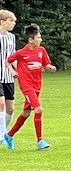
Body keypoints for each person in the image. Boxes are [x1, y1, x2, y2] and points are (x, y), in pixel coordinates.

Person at [4, 23, 56, 151]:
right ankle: (40, 141)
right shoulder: (21, 53)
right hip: (27, 86)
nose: (41, 40)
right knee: (38, 109)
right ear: (31, 40)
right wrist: (13, 71)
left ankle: (9, 135)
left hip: (37, 85)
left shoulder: (41, 50)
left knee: (26, 113)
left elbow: (46, 65)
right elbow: (8, 61)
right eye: (38, 37)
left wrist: (51, 68)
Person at [0, 10, 16, 132]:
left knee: (10, 108)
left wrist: (19, 70)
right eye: (11, 20)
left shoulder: (12, 37)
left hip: (8, 76)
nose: (13, 23)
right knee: (1, 104)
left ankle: (2, 131)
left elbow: (12, 56)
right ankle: (2, 134)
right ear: (2, 21)